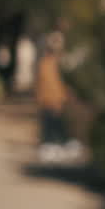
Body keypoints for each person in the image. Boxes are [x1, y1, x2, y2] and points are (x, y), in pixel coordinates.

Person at [35, 31, 72, 162]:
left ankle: (57, 145)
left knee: (57, 123)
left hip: (56, 99)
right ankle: (49, 146)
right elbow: (47, 84)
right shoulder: (47, 63)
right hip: (50, 100)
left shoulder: (57, 63)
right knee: (49, 124)